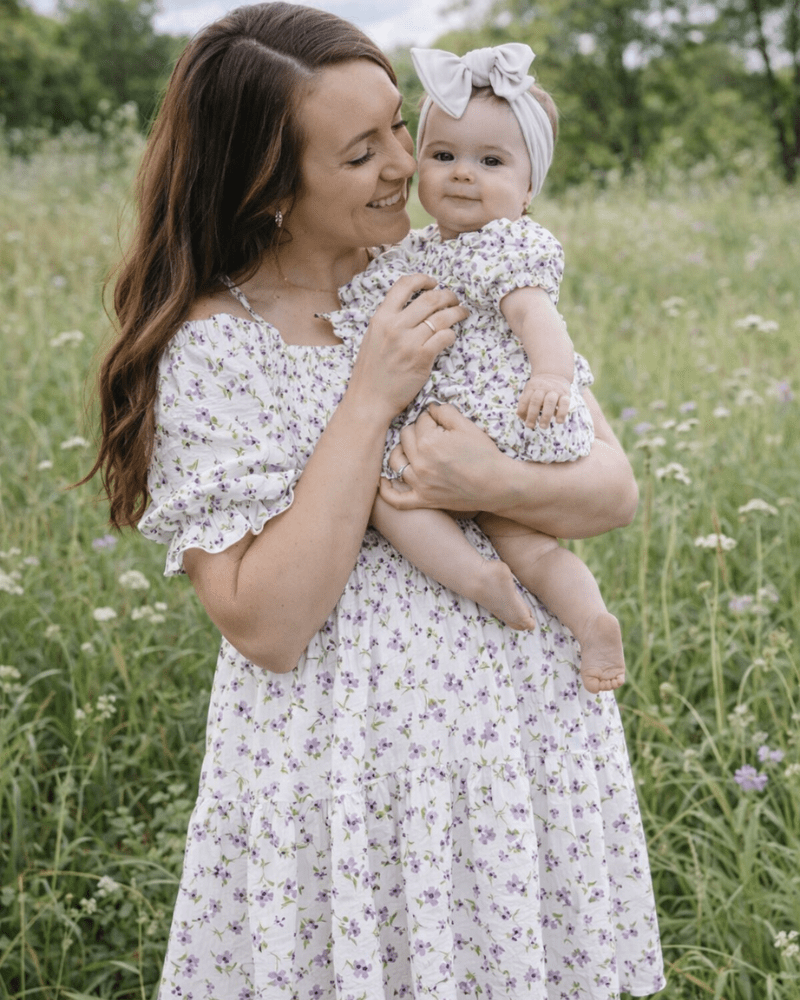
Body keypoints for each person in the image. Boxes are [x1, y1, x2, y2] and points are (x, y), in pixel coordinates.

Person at [84, 3, 666, 997]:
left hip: (517, 749)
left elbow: (610, 490)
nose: (407, 162)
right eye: (361, 152)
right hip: (348, 786)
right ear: (267, 185)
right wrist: (370, 395)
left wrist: (490, 484)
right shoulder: (218, 347)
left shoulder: (442, 274)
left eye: (400, 123)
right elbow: (266, 625)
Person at [327, 44, 625, 694]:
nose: (463, 174)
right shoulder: (413, 249)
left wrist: (551, 375)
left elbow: (536, 317)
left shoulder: (506, 246)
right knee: (403, 498)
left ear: (527, 189)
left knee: (403, 494)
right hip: (452, 418)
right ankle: (483, 578)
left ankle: (592, 621)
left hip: (506, 411)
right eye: (443, 156)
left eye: (491, 162)